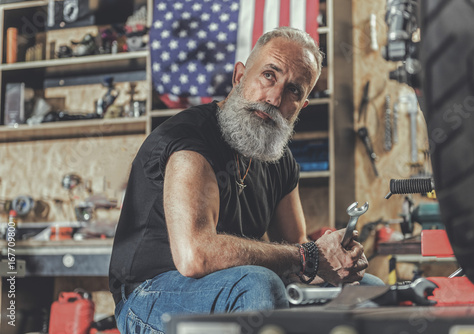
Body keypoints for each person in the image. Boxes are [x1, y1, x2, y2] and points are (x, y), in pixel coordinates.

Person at [109, 26, 383, 333]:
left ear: (301, 106)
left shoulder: (279, 161)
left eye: (294, 90)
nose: (275, 97)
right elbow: (194, 257)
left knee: (368, 290)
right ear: (240, 76)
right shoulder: (189, 139)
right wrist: (309, 256)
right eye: (269, 75)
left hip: (233, 288)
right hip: (149, 296)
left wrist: (335, 260)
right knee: (258, 285)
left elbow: (297, 254)